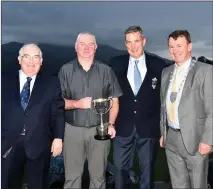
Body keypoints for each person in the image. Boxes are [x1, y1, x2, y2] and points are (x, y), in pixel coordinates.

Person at [58, 32, 123, 189]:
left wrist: (111, 124)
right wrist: (77, 104)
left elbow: (114, 100)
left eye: (90, 44)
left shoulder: (106, 71)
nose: (86, 48)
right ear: (76, 47)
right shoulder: (65, 71)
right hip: (72, 130)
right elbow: (58, 103)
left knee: (99, 178)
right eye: (82, 44)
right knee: (72, 178)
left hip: (99, 130)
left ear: (96, 47)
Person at [109, 25, 167, 189]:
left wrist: (163, 129)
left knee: (147, 174)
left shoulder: (158, 64)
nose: (133, 46)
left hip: (149, 129)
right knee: (120, 171)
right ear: (125, 43)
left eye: (136, 41)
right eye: (129, 42)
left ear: (144, 41)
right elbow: (110, 94)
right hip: (122, 128)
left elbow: (164, 99)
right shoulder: (115, 63)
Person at [1, 44, 65, 189]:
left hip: (39, 144)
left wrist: (58, 138)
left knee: (38, 184)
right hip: (7, 145)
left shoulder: (52, 83)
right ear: (19, 59)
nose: (31, 62)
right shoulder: (4, 81)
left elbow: (58, 112)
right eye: (26, 57)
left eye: (36, 57)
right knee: (7, 183)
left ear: (41, 60)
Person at [160, 30, 213, 188]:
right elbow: (163, 106)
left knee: (198, 185)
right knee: (178, 185)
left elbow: (212, 109)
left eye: (179, 45)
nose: (175, 50)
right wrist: (163, 133)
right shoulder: (166, 72)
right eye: (171, 46)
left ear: (189, 46)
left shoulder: (205, 71)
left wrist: (208, 140)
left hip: (196, 141)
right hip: (171, 139)